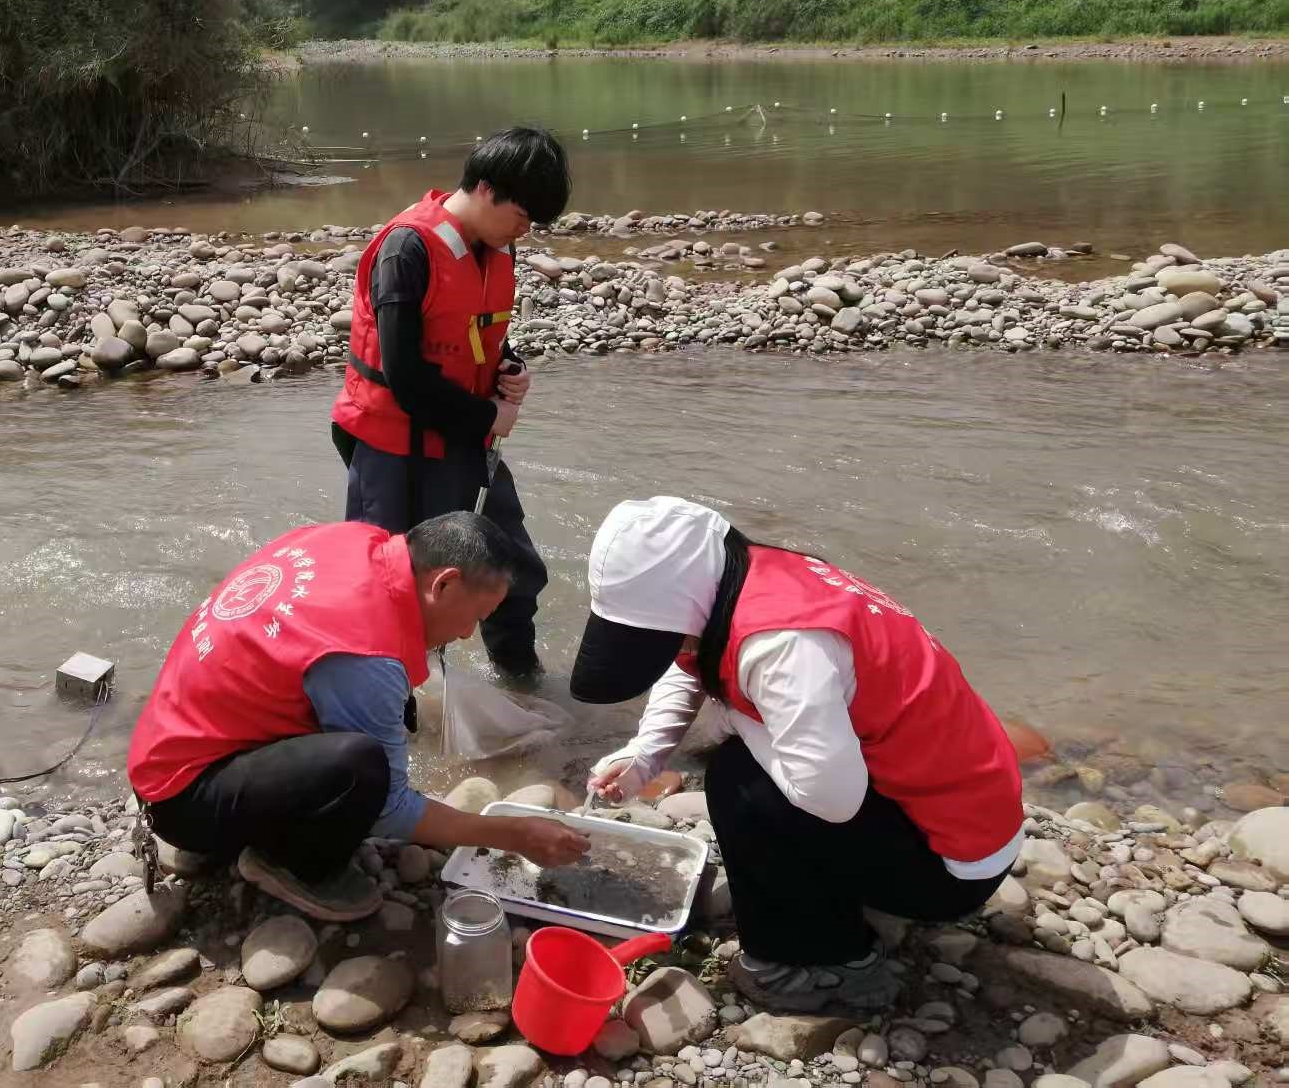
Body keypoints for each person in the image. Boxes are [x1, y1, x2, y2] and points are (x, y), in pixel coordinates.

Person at [570, 496, 1025, 1014]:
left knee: (738, 779)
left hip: (954, 864)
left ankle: (826, 963)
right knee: (757, 758)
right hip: (958, 808)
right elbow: (688, 660)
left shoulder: (782, 645)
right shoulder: (750, 576)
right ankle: (836, 897)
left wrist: (732, 717)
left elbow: (832, 800)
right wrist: (646, 753)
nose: (671, 648)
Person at [128, 511, 588, 922]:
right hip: (181, 798)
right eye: (475, 616)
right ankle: (289, 865)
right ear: (443, 584)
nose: (468, 634)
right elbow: (390, 808)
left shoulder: (352, 540)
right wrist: (512, 834)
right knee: (361, 768)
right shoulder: (368, 656)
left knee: (372, 736)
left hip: (167, 744)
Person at [330, 127, 571, 678]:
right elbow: (407, 378)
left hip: (464, 440)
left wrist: (509, 367)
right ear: (486, 188)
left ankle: (521, 684)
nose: (525, 231)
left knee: (511, 571)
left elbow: (476, 334)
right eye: (523, 216)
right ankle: (388, 704)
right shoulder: (407, 250)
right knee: (391, 591)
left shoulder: (496, 246)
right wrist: (491, 415)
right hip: (395, 449)